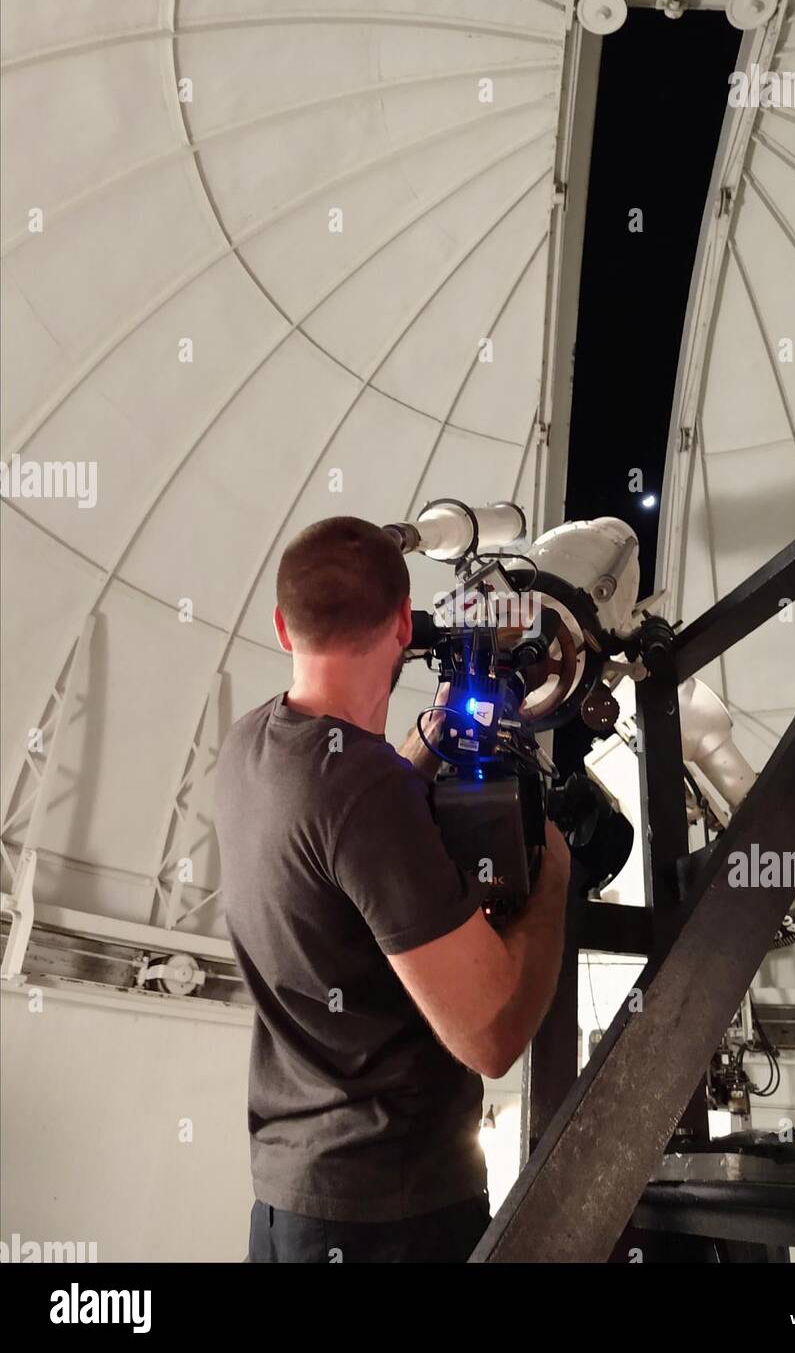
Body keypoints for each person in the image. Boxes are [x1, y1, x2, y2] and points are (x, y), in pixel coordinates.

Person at [214, 516, 571, 1263]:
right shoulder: (364, 790)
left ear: (284, 627)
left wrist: (427, 745)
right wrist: (555, 880)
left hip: (290, 1207)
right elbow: (493, 1037)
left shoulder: (249, 744)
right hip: (393, 1219)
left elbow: (343, 828)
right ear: (404, 626)